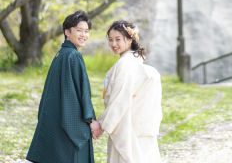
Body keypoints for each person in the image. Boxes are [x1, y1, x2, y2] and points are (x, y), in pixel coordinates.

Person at [27, 10, 103, 163]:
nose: (84, 35)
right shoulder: (73, 55)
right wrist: (91, 120)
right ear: (67, 32)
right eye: (79, 30)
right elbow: (82, 92)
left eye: (86, 31)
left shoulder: (61, 54)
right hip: (68, 123)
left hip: (55, 121)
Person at [98, 20, 163, 163]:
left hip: (129, 128)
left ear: (129, 40)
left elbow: (119, 98)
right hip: (143, 127)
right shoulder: (134, 62)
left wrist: (102, 124)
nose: (113, 44)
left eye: (118, 39)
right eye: (110, 40)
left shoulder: (125, 64)